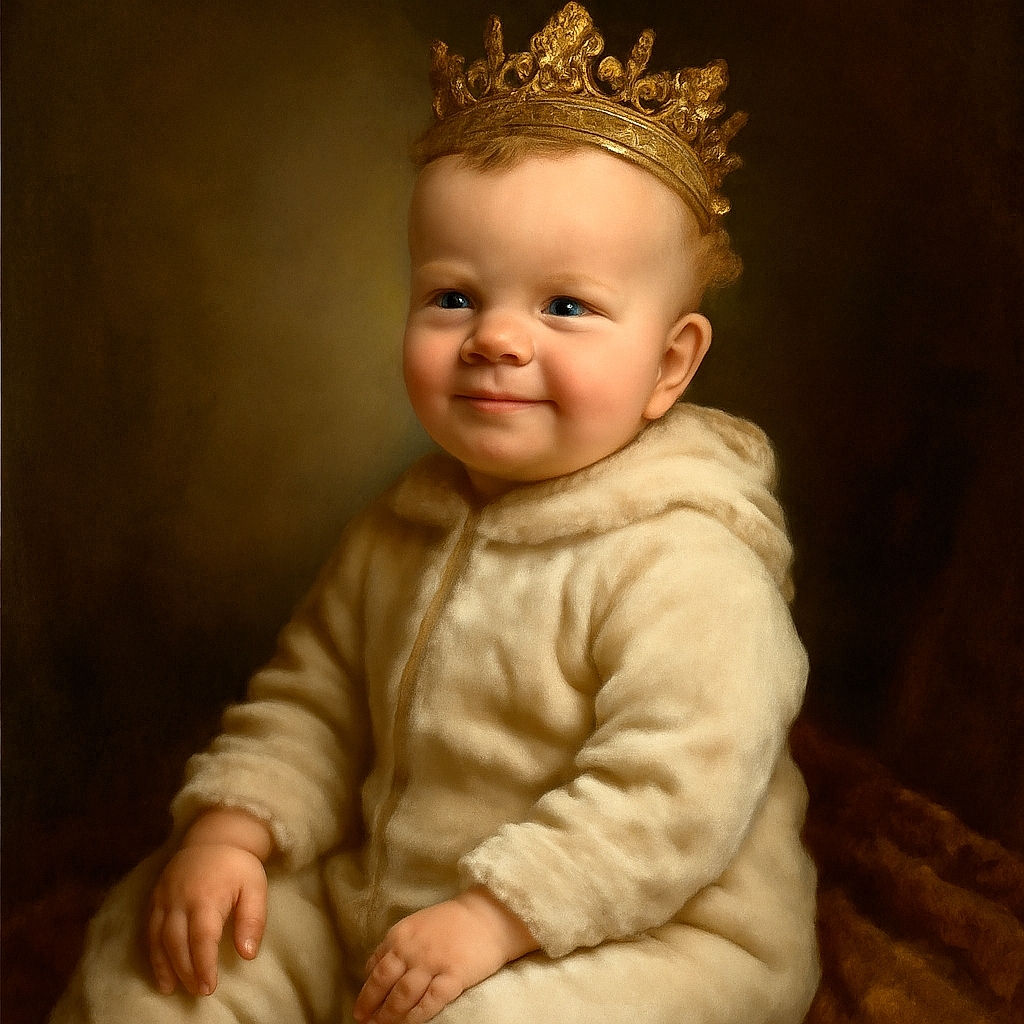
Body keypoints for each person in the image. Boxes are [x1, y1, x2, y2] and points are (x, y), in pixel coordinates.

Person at [51, 5, 820, 1022]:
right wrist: (234, 829)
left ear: (669, 364)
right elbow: (315, 705)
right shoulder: (399, 526)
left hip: (646, 934)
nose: (496, 338)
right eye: (454, 296)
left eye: (565, 306)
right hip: (391, 898)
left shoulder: (687, 560)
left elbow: (670, 798)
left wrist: (497, 918)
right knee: (171, 947)